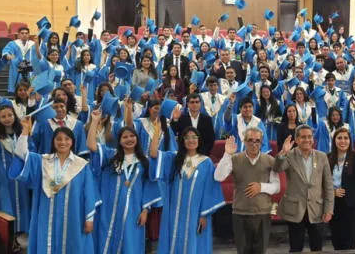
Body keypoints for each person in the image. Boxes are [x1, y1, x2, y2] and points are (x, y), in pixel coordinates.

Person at [10, 118, 100, 254]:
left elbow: (89, 193)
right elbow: (22, 155)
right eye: (58, 139)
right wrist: (24, 133)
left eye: (67, 139)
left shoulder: (82, 166)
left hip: (74, 215)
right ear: (53, 141)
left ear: (72, 142)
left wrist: (89, 219)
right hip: (47, 214)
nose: (63, 142)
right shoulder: (43, 161)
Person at [86, 109, 161, 254]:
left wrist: (145, 210)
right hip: (109, 208)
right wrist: (94, 121)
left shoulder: (144, 161)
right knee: (106, 241)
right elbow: (91, 146)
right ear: (119, 141)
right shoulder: (110, 156)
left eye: (132, 136)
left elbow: (149, 186)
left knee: (130, 244)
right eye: (125, 137)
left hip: (133, 209)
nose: (129, 139)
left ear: (137, 139)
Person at [149, 125, 225, 254]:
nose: (191, 140)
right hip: (174, 211)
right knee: (173, 239)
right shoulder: (174, 158)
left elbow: (209, 190)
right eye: (187, 138)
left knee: (193, 242)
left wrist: (204, 215)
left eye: (194, 137)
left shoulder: (206, 162)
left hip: (195, 213)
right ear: (182, 141)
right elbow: (153, 153)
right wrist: (156, 132)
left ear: (199, 140)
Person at [214, 131, 281, 254]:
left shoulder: (270, 160)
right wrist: (227, 154)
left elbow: (277, 186)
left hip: (262, 213)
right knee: (243, 250)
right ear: (244, 142)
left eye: (257, 141)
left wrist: (261, 187)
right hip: (240, 213)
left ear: (261, 143)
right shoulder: (234, 159)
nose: (253, 144)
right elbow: (219, 176)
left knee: (260, 251)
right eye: (250, 140)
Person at [273, 125, 334, 253]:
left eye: (309, 137)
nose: (307, 140)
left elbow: (328, 185)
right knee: (296, 248)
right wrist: (283, 152)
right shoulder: (289, 155)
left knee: (317, 247)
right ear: (297, 139)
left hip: (316, 209)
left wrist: (329, 209)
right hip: (295, 209)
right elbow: (277, 168)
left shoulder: (322, 157)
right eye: (303, 137)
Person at [0, 105, 30, 252]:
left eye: (10, 115)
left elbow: (29, 152)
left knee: (22, 205)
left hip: (19, 178)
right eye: (3, 116)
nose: (7, 119)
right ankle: (8, 240)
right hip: (1, 178)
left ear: (14, 116)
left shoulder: (19, 133)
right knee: (5, 207)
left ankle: (21, 239)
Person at [328, 129, 355, 250]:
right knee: (336, 239)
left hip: (352, 204)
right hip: (333, 204)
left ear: (350, 141)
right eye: (339, 138)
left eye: (346, 138)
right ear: (334, 140)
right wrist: (332, 192)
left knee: (350, 240)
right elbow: (321, 182)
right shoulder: (327, 157)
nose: (343, 141)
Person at [2, 26, 38, 94]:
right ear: (18, 35)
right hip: (18, 68)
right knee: (19, 88)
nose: (24, 35)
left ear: (29, 35)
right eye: (22, 33)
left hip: (30, 69)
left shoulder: (33, 44)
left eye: (26, 33)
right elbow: (6, 51)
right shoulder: (13, 44)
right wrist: (8, 55)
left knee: (31, 88)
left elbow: (38, 56)